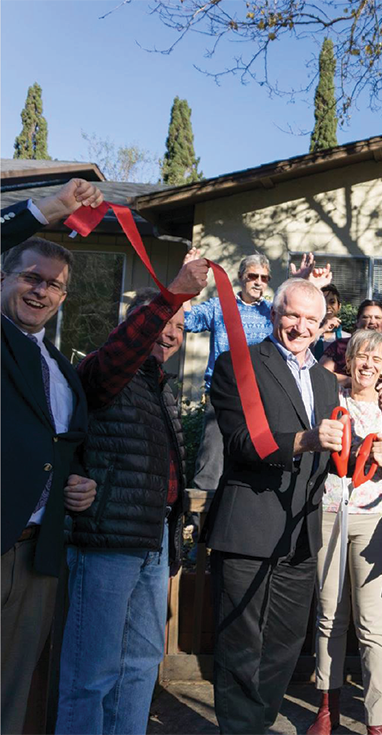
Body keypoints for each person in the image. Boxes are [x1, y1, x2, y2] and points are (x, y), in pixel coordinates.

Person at [55, 259, 210, 735]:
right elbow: (121, 354)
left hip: (152, 542)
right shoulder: (105, 370)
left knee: (141, 666)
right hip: (106, 543)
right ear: (133, 325)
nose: (170, 333)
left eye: (180, 327)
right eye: (163, 321)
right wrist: (173, 295)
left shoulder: (158, 386)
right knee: (92, 674)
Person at [206, 278, 344, 735]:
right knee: (241, 647)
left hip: (301, 533)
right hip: (247, 527)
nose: (300, 326)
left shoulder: (327, 381)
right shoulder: (239, 364)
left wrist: (364, 451)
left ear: (323, 324)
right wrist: (306, 441)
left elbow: (330, 454)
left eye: (311, 318)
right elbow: (242, 442)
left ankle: (257, 726)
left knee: (284, 647)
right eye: (292, 315)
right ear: (273, 314)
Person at [1, 182, 102, 735]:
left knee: (13, 702)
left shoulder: (65, 373)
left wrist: (77, 482)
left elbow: (59, 451)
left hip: (38, 557)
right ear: (4, 277)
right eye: (31, 278)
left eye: (54, 286)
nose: (41, 291)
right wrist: (44, 212)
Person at [309, 330, 382, 735]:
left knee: (372, 622)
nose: (367, 364)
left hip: (374, 519)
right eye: (360, 356)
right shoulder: (331, 399)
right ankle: (326, 707)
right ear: (348, 360)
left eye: (375, 359)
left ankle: (378, 720)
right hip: (330, 514)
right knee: (330, 615)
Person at [184, 250, 330, 491]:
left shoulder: (271, 311)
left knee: (264, 454)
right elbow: (188, 321)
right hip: (227, 392)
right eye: (253, 276)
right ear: (241, 277)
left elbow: (296, 315)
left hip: (264, 392)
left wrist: (302, 282)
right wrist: (186, 285)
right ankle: (202, 517)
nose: (259, 282)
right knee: (213, 456)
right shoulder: (221, 306)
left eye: (265, 278)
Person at [320, 300, 382, 399]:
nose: (372, 322)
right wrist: (351, 382)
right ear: (358, 321)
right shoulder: (341, 346)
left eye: (377, 318)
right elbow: (321, 375)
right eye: (366, 317)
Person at [312, 284, 349, 359]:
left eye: (332, 302)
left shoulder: (348, 338)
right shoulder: (308, 335)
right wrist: (322, 329)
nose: (328, 306)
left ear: (339, 306)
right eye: (323, 303)